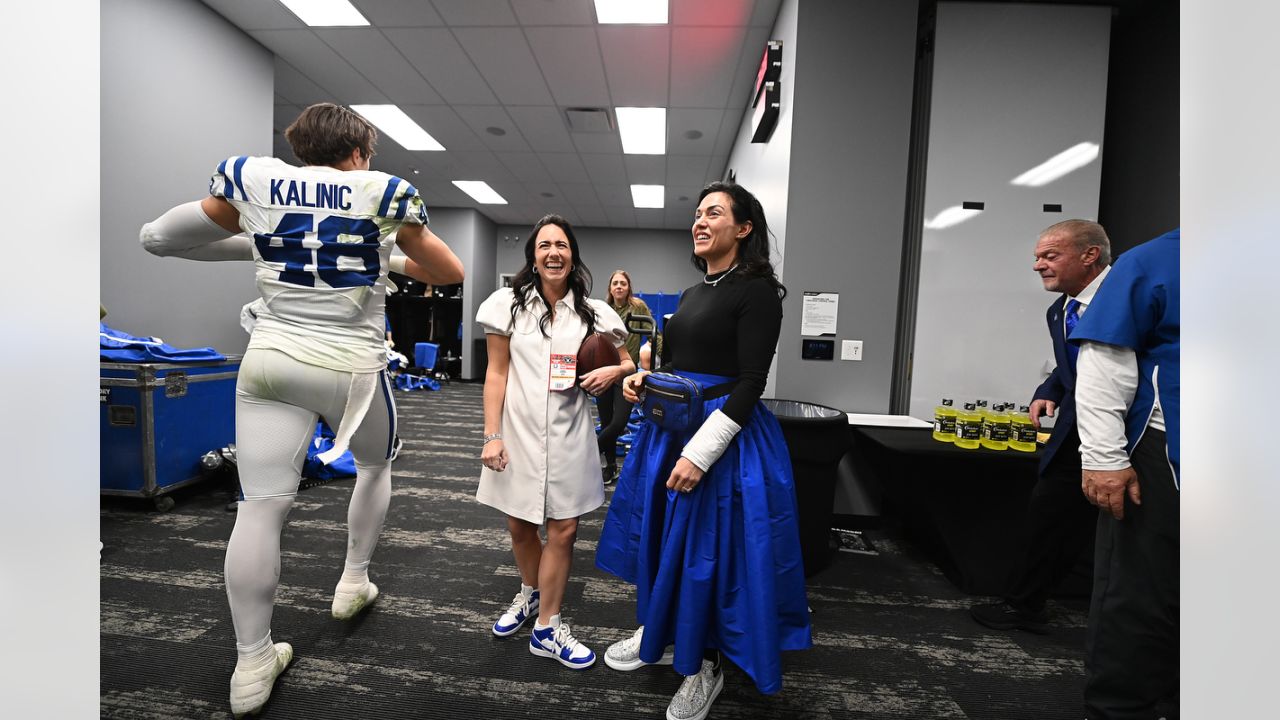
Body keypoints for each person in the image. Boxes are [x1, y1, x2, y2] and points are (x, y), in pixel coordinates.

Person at [138, 102, 464, 718]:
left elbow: (157, 238)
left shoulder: (257, 180)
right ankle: (351, 581)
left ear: (300, 146)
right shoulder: (379, 192)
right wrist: (386, 254)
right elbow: (447, 270)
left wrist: (261, 246)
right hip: (352, 371)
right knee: (374, 467)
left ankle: (251, 660)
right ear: (361, 152)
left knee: (259, 509)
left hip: (270, 360)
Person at [596, 181, 812, 720]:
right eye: (696, 213)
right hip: (670, 434)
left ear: (743, 228)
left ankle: (705, 667)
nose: (699, 221)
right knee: (665, 540)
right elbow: (679, 369)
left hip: (723, 443)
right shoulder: (693, 295)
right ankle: (659, 628)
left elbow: (749, 383)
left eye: (712, 213)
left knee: (709, 556)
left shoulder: (758, 291)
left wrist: (701, 452)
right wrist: (643, 382)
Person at [476, 214, 633, 670]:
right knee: (521, 526)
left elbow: (625, 362)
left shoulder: (593, 312)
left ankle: (548, 625)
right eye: (544, 245)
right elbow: (496, 373)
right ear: (533, 255)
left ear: (573, 255)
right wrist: (492, 435)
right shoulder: (506, 305)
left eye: (561, 245)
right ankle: (530, 594)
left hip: (570, 434)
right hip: (518, 433)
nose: (553, 252)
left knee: (563, 529)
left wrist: (614, 371)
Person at [970, 219, 1111, 634]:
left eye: (1050, 256)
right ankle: (1024, 605)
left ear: (1090, 256)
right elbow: (1076, 363)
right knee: (1048, 515)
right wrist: (1050, 387)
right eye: (1037, 256)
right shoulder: (1061, 308)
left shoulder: (1125, 301)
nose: (1038, 265)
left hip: (1127, 441)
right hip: (1074, 432)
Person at [1071, 229, 1180, 720]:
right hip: (1169, 453)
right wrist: (1104, 457)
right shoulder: (1157, 260)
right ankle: (1120, 708)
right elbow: (1103, 362)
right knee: (1141, 594)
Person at [596, 270, 653, 484]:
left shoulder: (638, 307)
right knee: (606, 421)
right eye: (615, 283)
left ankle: (590, 452)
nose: (619, 286)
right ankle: (610, 467)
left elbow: (653, 333)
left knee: (619, 423)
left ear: (629, 287)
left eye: (623, 283)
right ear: (610, 288)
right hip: (604, 371)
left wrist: (660, 353)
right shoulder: (603, 309)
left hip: (626, 373)